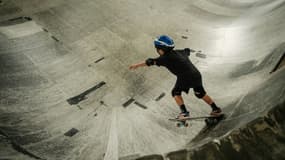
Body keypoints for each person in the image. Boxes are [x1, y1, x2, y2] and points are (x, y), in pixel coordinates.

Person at [129, 35, 221, 118]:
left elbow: (149, 62)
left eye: (157, 49)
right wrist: (188, 50)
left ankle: (184, 112)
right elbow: (187, 50)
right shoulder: (180, 52)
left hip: (185, 77)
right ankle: (216, 109)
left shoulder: (164, 58)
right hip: (196, 74)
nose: (157, 51)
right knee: (200, 93)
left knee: (175, 92)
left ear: (161, 49)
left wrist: (136, 65)